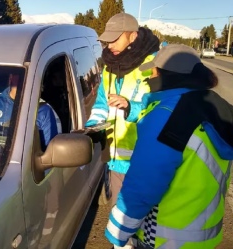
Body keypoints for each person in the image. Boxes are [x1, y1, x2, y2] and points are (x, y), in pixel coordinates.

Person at [105, 44, 233, 248]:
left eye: (154, 71)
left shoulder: (167, 115)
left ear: (167, 74)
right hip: (203, 237)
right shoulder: (212, 106)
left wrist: (117, 231)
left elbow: (144, 183)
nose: (150, 77)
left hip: (163, 238)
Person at [85, 13, 160, 211]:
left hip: (145, 162)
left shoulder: (153, 65)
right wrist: (93, 127)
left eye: (115, 38)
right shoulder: (109, 68)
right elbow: (102, 104)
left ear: (133, 36)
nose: (109, 45)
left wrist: (130, 107)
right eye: (107, 40)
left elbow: (162, 109)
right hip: (115, 162)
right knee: (119, 219)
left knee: (145, 221)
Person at [0, 74, 61, 150]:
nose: (24, 79)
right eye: (20, 76)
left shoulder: (44, 110)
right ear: (11, 78)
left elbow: (51, 152)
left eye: (29, 75)